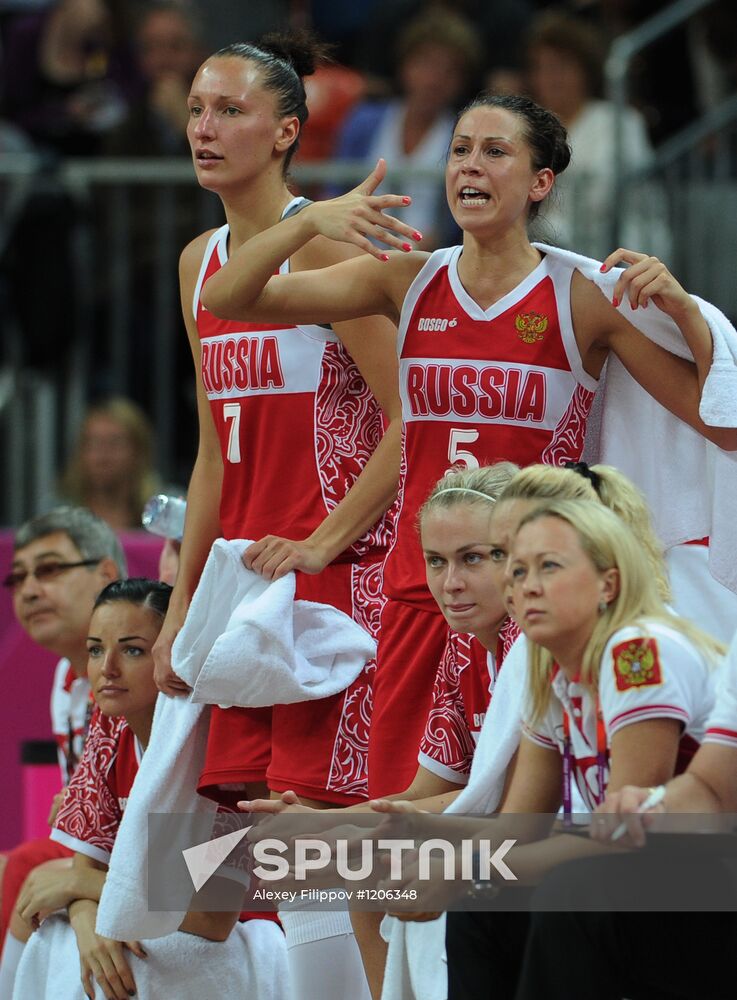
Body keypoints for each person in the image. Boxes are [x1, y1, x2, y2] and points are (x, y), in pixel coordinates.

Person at [200, 90, 737, 808]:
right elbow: (233, 298)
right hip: (425, 596)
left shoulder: (581, 297)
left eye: (493, 151)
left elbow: (719, 422)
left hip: (530, 605)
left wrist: (686, 316)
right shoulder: (407, 279)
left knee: (500, 846)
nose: (468, 166)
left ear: (540, 182)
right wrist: (309, 222)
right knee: (392, 858)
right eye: (458, 150)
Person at [151, 29, 402, 1000]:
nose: (203, 128)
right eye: (195, 110)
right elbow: (217, 451)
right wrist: (179, 610)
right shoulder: (197, 264)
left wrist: (332, 540)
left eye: (230, 110)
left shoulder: (333, 239)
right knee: (252, 844)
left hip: (335, 588)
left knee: (322, 841)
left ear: (287, 130)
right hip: (242, 595)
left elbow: (409, 417)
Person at [443, 499, 724, 999]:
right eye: (516, 568)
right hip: (657, 877)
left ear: (607, 584)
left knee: (565, 890)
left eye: (548, 567)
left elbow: (621, 841)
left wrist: (461, 867)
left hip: (695, 885)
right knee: (483, 902)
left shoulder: (638, 650)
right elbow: (520, 828)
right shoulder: (550, 665)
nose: (524, 586)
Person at [9, 578, 287, 1000]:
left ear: (171, 654)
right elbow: (87, 866)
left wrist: (83, 891)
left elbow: (212, 919)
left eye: (133, 649)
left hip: (243, 929)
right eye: (96, 649)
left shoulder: (220, 743)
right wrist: (89, 922)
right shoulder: (109, 727)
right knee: (52, 927)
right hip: (148, 911)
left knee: (124, 963)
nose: (107, 669)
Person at [0, 506, 125, 995]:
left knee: (31, 862)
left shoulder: (148, 672)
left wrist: (83, 892)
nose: (29, 589)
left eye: (49, 569)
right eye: (18, 577)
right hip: (107, 853)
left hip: (191, 853)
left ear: (106, 573)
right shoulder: (66, 678)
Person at [332, 7, 482, 248]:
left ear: (461, 81)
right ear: (405, 66)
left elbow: (462, 215)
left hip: (429, 257)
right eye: (426, 64)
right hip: (354, 250)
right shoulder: (364, 121)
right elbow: (334, 188)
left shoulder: (465, 135)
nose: (434, 79)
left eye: (449, 71)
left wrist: (437, 247)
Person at [525, 9, 667, 259]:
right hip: (550, 248)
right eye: (543, 68)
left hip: (623, 252)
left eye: (561, 67)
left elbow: (603, 197)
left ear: (585, 72)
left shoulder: (621, 121)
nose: (552, 78)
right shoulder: (530, 128)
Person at [56, 398, 161, 533]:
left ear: (139, 452)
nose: (103, 456)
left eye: (115, 443)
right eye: (94, 444)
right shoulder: (57, 515)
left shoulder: (165, 510)